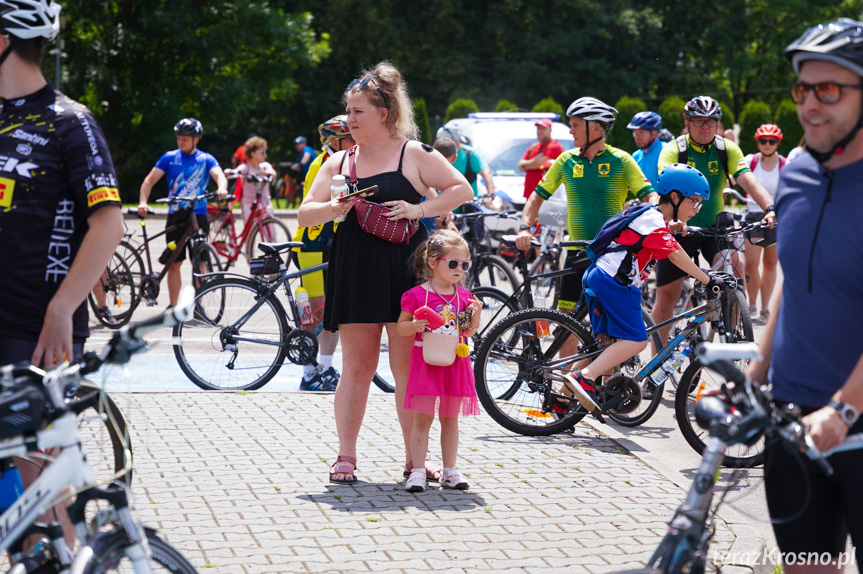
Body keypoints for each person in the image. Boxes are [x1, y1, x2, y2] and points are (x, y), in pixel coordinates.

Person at [297, 61, 473, 485]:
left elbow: (461, 189)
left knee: (407, 372)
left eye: (358, 112)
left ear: (384, 113)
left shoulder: (412, 152)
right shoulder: (339, 160)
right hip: (355, 267)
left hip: (406, 270)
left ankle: (416, 461)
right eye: (348, 111)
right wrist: (333, 209)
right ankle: (346, 457)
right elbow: (305, 214)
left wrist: (419, 209)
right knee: (355, 368)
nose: (349, 119)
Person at [0, 0, 125, 547]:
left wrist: (62, 308)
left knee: (45, 489)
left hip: (34, 329)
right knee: (15, 506)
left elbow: (109, 224)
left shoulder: (70, 122)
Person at [747, 18, 863, 572]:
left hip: (855, 426)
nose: (810, 104)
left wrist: (844, 409)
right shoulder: (796, 177)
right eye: (803, 89)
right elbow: (797, 278)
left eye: (830, 90)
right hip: (794, 419)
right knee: (808, 567)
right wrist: (759, 367)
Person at [563, 165, 716, 414]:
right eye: (695, 202)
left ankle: (562, 399)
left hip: (601, 277)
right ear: (675, 197)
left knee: (602, 344)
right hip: (615, 283)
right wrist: (707, 279)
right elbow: (675, 253)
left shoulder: (652, 217)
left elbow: (655, 239)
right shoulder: (653, 221)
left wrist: (671, 228)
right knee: (636, 341)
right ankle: (585, 377)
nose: (696, 209)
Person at [652, 95, 776, 346]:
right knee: (666, 297)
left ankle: (734, 329)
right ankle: (655, 367)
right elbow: (664, 185)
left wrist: (770, 208)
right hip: (681, 228)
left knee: (735, 268)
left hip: (715, 226)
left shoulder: (726, 148)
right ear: (687, 123)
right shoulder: (675, 149)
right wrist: (673, 220)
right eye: (698, 121)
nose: (705, 126)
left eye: (711, 121)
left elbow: (747, 179)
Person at [515, 97, 655, 312]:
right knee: (566, 321)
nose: (571, 131)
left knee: (608, 321)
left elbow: (649, 195)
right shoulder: (565, 160)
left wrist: (663, 221)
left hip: (612, 253)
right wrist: (524, 228)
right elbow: (536, 197)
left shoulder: (621, 160)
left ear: (596, 127)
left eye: (575, 125)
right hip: (577, 250)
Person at [397, 230, 482, 492]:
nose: (460, 270)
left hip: (455, 363)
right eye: (453, 263)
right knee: (422, 419)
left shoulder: (465, 296)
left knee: (450, 418)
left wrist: (475, 315)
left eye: (464, 265)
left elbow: (468, 331)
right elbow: (401, 328)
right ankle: (418, 470)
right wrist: (413, 325)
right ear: (433, 262)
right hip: (426, 363)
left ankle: (450, 470)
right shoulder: (416, 295)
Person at [292, 115, 355, 391]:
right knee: (316, 314)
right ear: (333, 141)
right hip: (313, 246)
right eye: (349, 137)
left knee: (333, 314)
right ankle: (308, 373)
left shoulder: (346, 161)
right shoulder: (322, 164)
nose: (354, 141)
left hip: (331, 245)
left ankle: (326, 368)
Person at [138, 118, 228, 307]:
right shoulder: (170, 158)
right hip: (176, 217)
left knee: (200, 263)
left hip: (199, 216)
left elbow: (219, 175)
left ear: (196, 139)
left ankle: (198, 306)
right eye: (178, 138)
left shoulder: (205, 159)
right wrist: (143, 202)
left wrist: (222, 188)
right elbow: (148, 181)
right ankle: (173, 306)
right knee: (174, 262)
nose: (180, 142)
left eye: (185, 139)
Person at [742, 124, 785, 321]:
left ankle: (765, 307)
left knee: (770, 263)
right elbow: (732, 179)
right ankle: (751, 305)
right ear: (757, 141)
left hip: (778, 218)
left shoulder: (785, 164)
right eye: (763, 140)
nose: (767, 144)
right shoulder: (749, 161)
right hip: (753, 216)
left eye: (772, 141)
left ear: (777, 142)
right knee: (751, 264)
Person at [224, 135, 277, 228]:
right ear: (252, 154)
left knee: (271, 233)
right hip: (249, 204)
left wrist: (260, 173)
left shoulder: (265, 166)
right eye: (262, 152)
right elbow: (236, 171)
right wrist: (230, 171)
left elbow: (273, 174)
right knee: (250, 232)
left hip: (265, 203)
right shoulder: (246, 168)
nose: (265, 155)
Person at [436, 125, 496, 199]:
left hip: (467, 205)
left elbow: (486, 172)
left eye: (441, 140)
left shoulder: (470, 154)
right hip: (443, 205)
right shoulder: (434, 153)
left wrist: (490, 194)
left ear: (452, 139)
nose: (439, 143)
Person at [517, 118, 564, 198]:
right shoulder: (533, 147)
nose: (540, 131)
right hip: (530, 194)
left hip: (545, 195)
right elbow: (520, 166)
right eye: (538, 128)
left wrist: (526, 165)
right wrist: (534, 162)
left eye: (543, 128)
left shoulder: (554, 145)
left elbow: (539, 163)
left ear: (550, 130)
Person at [626, 111, 664, 186]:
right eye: (635, 133)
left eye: (641, 133)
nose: (637, 137)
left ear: (654, 133)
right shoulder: (636, 155)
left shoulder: (666, 150)